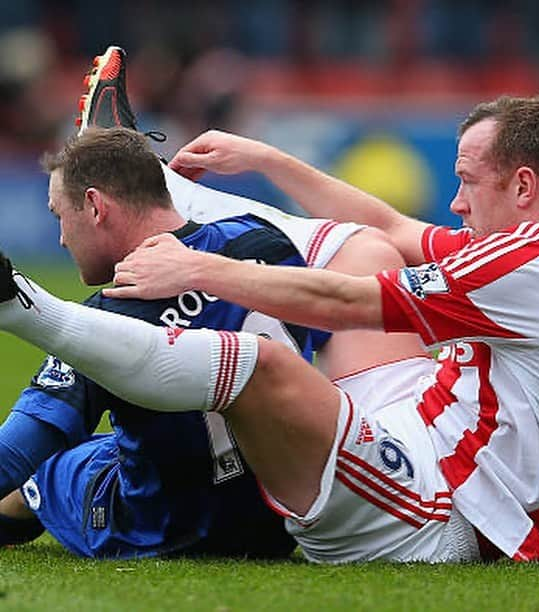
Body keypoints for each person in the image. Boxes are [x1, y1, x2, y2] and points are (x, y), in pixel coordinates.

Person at [5, 93, 539, 563]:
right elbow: (392, 232)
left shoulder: (534, 268)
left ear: (524, 186)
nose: (455, 202)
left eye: (468, 181)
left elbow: (343, 303)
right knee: (370, 250)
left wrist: (202, 269)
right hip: (433, 429)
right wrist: (265, 159)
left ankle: (19, 304)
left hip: (437, 514)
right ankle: (155, 178)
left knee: (261, 362)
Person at [0, 46, 422, 558]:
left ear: (94, 207)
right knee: (359, 255)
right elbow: (358, 259)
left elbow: (18, 448)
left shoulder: (107, 316)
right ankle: (132, 156)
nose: (61, 239)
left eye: (58, 215)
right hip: (288, 508)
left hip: (170, 525)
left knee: (50, 463)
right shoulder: (265, 244)